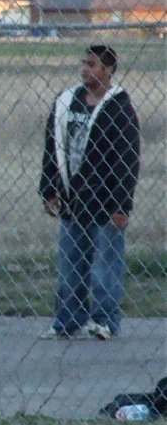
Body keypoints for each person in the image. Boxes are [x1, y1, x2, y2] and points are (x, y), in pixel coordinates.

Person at [39, 44, 140, 340]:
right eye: (84, 63)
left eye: (93, 64)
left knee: (105, 265)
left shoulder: (119, 106)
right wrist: (49, 188)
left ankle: (104, 320)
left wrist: (123, 205)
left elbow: (128, 158)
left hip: (107, 202)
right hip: (73, 198)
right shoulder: (67, 102)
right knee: (71, 264)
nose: (86, 69)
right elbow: (52, 146)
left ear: (109, 70)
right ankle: (67, 319)